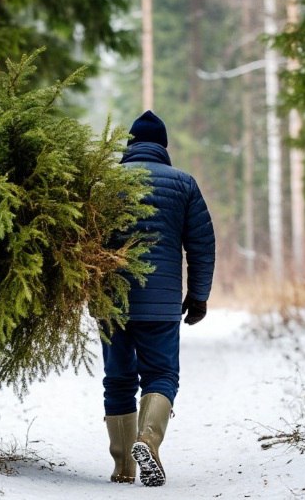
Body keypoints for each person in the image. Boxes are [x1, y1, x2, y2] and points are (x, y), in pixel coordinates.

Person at [102, 110, 215, 487]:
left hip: (112, 301)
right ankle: (147, 440)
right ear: (162, 147)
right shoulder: (183, 184)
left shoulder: (105, 183)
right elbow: (201, 245)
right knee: (161, 375)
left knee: (118, 379)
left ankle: (123, 469)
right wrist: (198, 297)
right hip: (162, 302)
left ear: (130, 145)